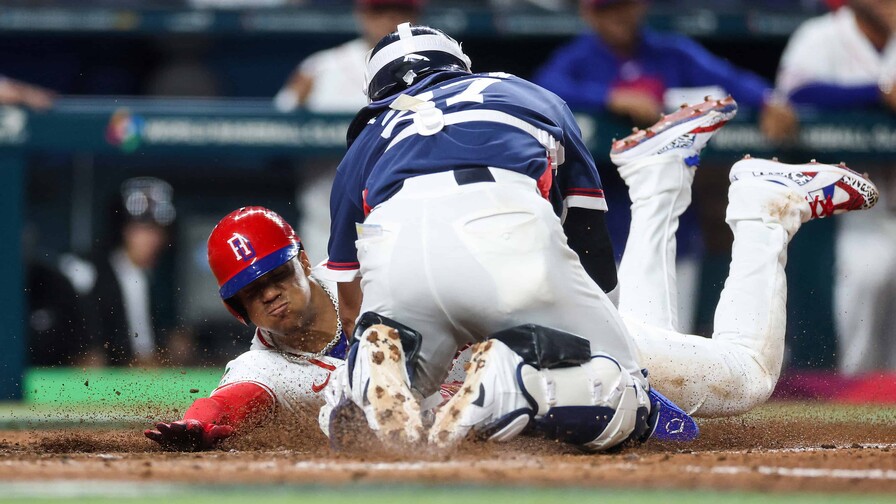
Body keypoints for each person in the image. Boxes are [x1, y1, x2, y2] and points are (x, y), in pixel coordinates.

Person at [318, 23, 700, 453]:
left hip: (395, 256)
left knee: (404, 374)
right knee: (625, 391)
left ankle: (365, 382)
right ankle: (516, 385)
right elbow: (588, 232)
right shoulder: (528, 94)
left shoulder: (368, 137)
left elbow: (351, 309)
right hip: (503, 222)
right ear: (460, 65)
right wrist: (597, 328)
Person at [608, 97, 879, 416]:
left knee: (749, 374)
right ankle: (655, 177)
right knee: (633, 344)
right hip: (573, 343)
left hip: (566, 359)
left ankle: (764, 210)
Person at [144, 207, 350, 451]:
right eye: (252, 291)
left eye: (278, 275)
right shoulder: (262, 365)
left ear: (304, 263)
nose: (271, 294)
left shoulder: (356, 277)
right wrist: (197, 423)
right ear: (238, 307)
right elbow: (223, 404)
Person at [774, 0, 896, 374]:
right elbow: (793, 93)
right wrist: (877, 93)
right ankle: (854, 390)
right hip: (851, 204)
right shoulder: (821, 35)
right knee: (864, 273)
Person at [273, 0, 424, 265]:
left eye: (401, 9)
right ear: (362, 14)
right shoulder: (321, 67)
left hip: (408, 216)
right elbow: (273, 126)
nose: (389, 18)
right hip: (328, 218)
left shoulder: (435, 66)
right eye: (380, 10)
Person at [60, 177, 181, 366]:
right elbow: (87, 356)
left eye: (158, 231)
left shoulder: (151, 278)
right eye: (143, 229)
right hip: (89, 384)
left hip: (132, 383)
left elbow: (149, 356)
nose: (153, 240)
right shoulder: (88, 271)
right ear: (122, 229)